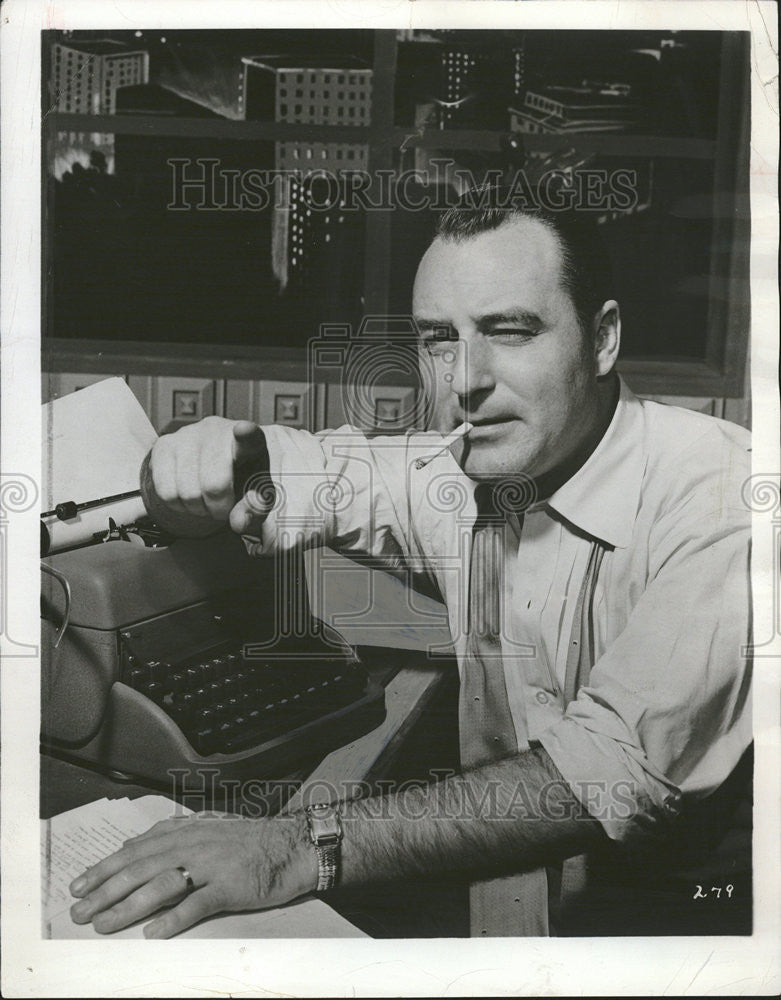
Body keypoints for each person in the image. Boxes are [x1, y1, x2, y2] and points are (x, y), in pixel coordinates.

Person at [67, 198, 752, 939]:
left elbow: (599, 777)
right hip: (514, 916)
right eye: (438, 340)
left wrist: (294, 846)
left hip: (690, 934)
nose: (464, 380)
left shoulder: (724, 495)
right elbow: (308, 466)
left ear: (603, 338)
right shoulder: (463, 470)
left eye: (509, 331)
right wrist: (188, 455)